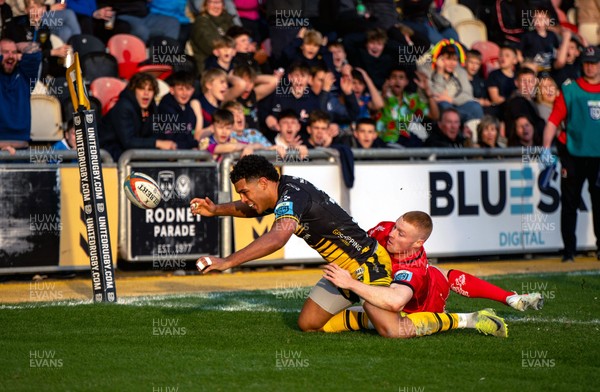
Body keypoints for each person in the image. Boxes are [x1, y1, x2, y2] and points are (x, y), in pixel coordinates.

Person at [190, 155, 508, 338]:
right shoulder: (284, 193)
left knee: (393, 331)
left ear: (263, 182)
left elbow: (277, 238)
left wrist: (227, 261)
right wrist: (216, 210)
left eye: (245, 192)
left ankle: (466, 319)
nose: (244, 199)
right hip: (342, 270)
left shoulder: (293, 196)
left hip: (369, 265)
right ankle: (367, 310)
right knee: (309, 325)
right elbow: (254, 209)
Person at [322, 211, 543, 333]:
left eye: (401, 234)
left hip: (419, 307)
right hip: (417, 283)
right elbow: (358, 246)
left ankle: (467, 319)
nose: (392, 234)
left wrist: (351, 282)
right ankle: (510, 297)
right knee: (442, 272)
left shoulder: (412, 269)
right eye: (396, 227)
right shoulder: (384, 229)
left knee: (383, 321)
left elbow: (395, 301)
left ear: (418, 243)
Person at [542, 45, 600, 262]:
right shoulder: (570, 90)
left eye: (594, 63)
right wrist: (546, 147)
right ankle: (569, 251)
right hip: (573, 154)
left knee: (599, 204)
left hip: (598, 158)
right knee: (569, 204)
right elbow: (553, 121)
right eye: (586, 62)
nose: (590, 66)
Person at [99, 72, 177, 161]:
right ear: (133, 90)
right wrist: (157, 143)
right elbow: (128, 141)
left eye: (150, 89)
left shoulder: (151, 107)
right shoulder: (123, 107)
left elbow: (154, 134)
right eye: (141, 88)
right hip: (110, 154)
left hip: (131, 152)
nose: (146, 93)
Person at [375, 66, 438, 146]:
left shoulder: (412, 99)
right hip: (383, 141)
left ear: (406, 82)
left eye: (401, 78)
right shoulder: (379, 97)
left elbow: (434, 116)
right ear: (388, 80)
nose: (397, 81)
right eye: (394, 77)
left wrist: (428, 92)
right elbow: (374, 110)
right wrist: (383, 95)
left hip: (405, 142)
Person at [0, 38, 41, 150]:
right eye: (5, 52)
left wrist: (17, 45)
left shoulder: (25, 77)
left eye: (14, 52)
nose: (10, 56)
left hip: (22, 152)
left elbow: (34, 51)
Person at [190, 0, 236, 74]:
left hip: (231, 62)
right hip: (210, 66)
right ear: (205, 5)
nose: (216, 6)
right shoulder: (201, 22)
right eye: (212, 2)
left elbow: (238, 38)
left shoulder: (228, 19)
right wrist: (233, 47)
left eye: (218, 2)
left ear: (223, 5)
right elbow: (210, 46)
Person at [156, 71, 199, 150]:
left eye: (188, 89)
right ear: (172, 90)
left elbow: (190, 133)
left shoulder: (189, 109)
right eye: (180, 89)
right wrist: (196, 143)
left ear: (193, 90)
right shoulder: (165, 109)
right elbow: (171, 140)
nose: (184, 93)